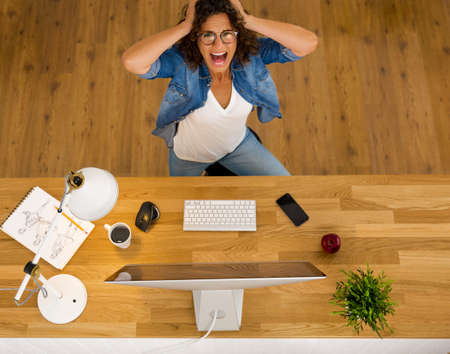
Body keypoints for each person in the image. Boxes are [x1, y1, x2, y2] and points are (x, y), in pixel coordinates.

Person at [122, 0, 318, 176]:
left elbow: (308, 44)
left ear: (238, 35)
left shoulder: (252, 55)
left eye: (227, 34)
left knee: (286, 187)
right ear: (195, 37)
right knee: (184, 208)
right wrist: (185, 26)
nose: (218, 45)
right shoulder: (182, 62)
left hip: (238, 147)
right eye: (207, 35)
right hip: (188, 157)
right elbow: (132, 61)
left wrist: (247, 20)